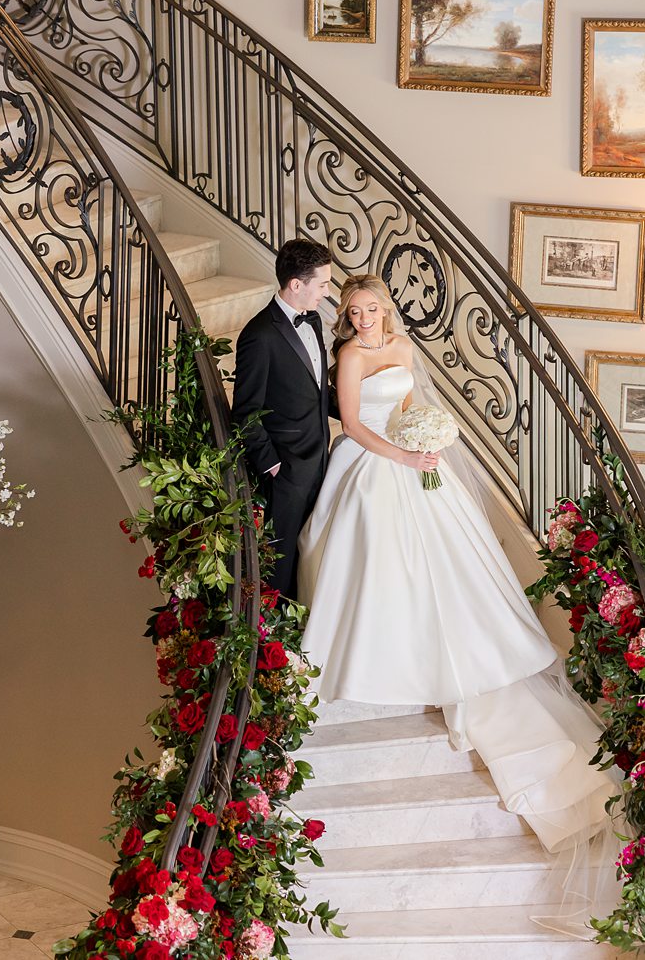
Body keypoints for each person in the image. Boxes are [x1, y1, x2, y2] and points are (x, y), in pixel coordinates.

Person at [297, 275, 618, 927]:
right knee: (375, 540)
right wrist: (403, 455)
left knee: (449, 556)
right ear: (346, 318)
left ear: (385, 310)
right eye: (353, 311)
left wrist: (430, 442)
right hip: (371, 460)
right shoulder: (350, 358)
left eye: (371, 309)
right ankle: (377, 646)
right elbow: (354, 424)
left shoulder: (403, 350)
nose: (363, 319)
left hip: (414, 455)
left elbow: (414, 402)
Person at [231, 238, 334, 599]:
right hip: (286, 470)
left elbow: (317, 390)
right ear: (296, 284)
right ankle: (276, 643)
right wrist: (274, 466)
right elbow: (245, 413)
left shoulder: (314, 320)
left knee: (313, 555)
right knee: (282, 563)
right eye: (322, 284)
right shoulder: (259, 336)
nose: (327, 291)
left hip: (322, 461)